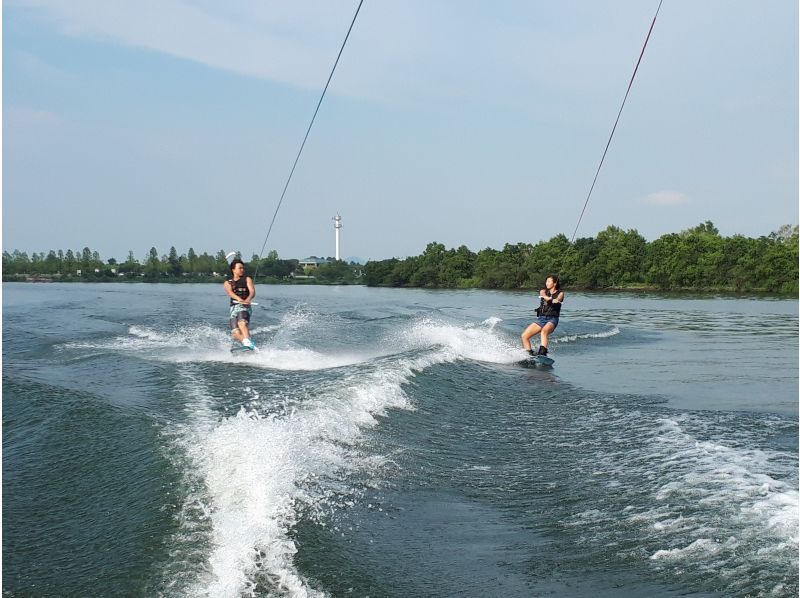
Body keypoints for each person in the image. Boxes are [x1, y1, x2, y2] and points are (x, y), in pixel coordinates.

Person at [521, 275, 564, 356]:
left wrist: (557, 300)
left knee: (544, 331)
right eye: (546, 281)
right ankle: (529, 354)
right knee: (524, 336)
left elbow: (559, 298)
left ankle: (543, 353)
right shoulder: (543, 291)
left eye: (549, 281)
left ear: (554, 283)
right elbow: (543, 295)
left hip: (552, 319)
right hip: (541, 319)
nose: (546, 283)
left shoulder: (560, 293)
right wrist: (548, 298)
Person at [224, 258, 256, 349]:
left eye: (243, 268)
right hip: (233, 308)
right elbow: (230, 293)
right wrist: (239, 298)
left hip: (245, 307)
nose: (242, 270)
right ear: (233, 269)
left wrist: (248, 299)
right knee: (235, 333)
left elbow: (252, 291)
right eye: (240, 268)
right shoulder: (227, 282)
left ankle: (249, 345)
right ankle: (248, 344)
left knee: (242, 323)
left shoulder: (247, 279)